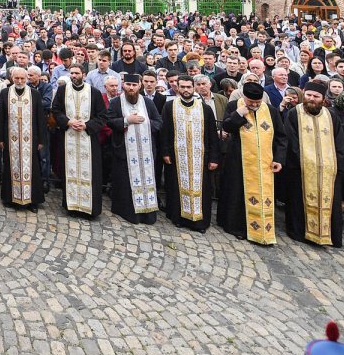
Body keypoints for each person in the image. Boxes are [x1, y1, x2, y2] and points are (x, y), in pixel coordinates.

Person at [217, 81, 285, 245]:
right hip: (239, 160)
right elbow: (226, 127)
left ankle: (261, 227)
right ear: (244, 97)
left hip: (264, 162)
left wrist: (279, 159)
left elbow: (281, 137)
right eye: (251, 102)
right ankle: (238, 227)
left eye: (257, 102)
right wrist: (238, 114)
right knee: (237, 194)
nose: (254, 105)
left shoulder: (271, 111)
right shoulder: (235, 105)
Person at [281, 81, 344, 248]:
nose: (311, 99)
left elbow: (340, 141)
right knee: (299, 201)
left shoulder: (331, 116)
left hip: (328, 169)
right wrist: (304, 160)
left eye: (316, 96)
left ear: (323, 99)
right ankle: (300, 232)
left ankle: (328, 234)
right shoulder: (293, 114)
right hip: (301, 168)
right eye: (309, 95)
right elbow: (291, 141)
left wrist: (336, 162)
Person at [160, 74, 219, 232]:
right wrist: (165, 152)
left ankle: (200, 223)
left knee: (202, 190)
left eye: (189, 87)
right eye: (183, 87)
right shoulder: (169, 106)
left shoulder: (204, 108)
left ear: (194, 88)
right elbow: (164, 131)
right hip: (177, 157)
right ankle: (179, 218)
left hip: (201, 159)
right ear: (177, 88)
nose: (186, 90)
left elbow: (213, 135)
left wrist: (214, 158)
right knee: (176, 187)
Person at [50, 64, 105, 219]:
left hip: (88, 139)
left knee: (90, 172)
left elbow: (102, 116)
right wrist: (68, 122)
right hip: (69, 137)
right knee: (70, 170)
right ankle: (72, 206)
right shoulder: (62, 91)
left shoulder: (94, 92)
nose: (73, 76)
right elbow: (56, 110)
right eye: (72, 73)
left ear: (84, 74)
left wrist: (87, 125)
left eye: (77, 73)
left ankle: (89, 208)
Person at [107, 72, 161, 224]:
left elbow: (158, 121)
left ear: (139, 86)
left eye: (134, 85)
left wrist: (145, 124)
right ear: (123, 85)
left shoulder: (148, 103)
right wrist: (126, 120)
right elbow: (109, 120)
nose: (131, 88)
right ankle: (127, 212)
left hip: (145, 153)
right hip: (124, 151)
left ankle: (147, 214)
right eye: (128, 85)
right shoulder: (117, 102)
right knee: (125, 184)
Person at [0, 67, 46, 212]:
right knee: (10, 167)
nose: (19, 81)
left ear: (27, 79)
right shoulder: (6, 93)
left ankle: (33, 201)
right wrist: (0, 138)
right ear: (12, 78)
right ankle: (10, 198)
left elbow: (40, 118)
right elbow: (0, 117)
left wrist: (41, 140)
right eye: (16, 78)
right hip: (10, 138)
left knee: (32, 168)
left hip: (30, 139)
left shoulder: (34, 94)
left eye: (22, 78)